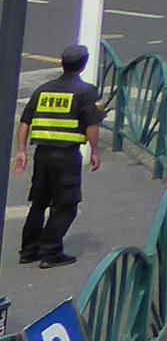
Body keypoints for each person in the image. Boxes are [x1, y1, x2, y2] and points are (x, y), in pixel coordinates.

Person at [15, 44, 102, 268]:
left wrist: (21, 151)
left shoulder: (43, 90)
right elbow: (92, 125)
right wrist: (95, 151)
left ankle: (29, 250)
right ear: (83, 64)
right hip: (66, 156)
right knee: (66, 205)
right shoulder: (86, 92)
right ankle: (50, 252)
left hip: (42, 154)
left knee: (39, 202)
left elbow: (25, 122)